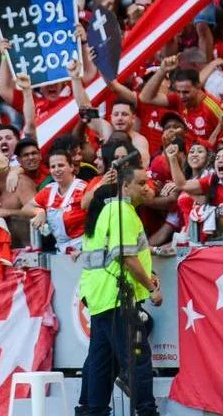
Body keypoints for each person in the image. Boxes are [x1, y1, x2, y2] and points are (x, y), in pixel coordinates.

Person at [80, 166, 162, 416]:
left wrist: (150, 274)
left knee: (100, 365)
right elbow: (126, 255)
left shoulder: (101, 215)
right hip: (119, 298)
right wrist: (150, 287)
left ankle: (94, 411)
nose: (146, 187)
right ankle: (147, 411)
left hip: (99, 298)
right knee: (138, 361)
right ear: (124, 187)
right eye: (141, 183)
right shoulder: (122, 212)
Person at [24, 150, 87, 253]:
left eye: (61, 165)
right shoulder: (48, 190)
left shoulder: (83, 188)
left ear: (71, 167)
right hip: (60, 250)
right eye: (53, 167)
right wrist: (40, 212)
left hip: (83, 248)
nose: (57, 170)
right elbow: (26, 207)